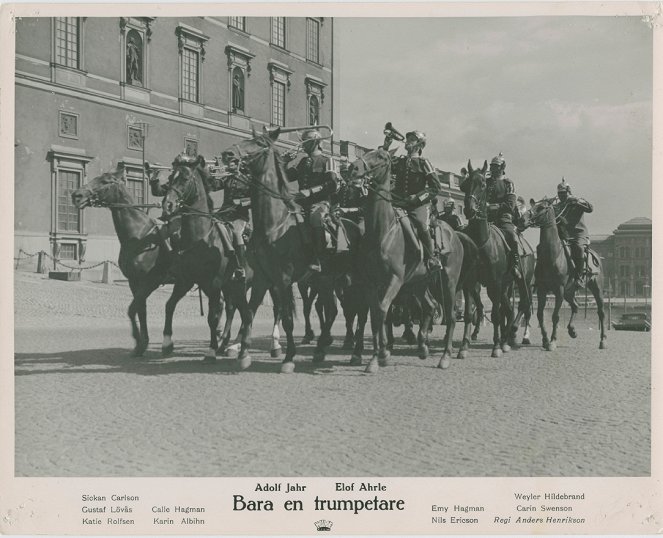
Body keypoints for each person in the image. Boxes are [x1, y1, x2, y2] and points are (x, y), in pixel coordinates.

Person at [284, 129, 339, 272]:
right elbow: (286, 178)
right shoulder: (303, 161)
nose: (302, 145)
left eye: (305, 141)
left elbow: (332, 185)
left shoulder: (328, 161)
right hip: (301, 204)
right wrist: (284, 163)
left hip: (320, 202)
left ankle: (318, 258)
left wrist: (310, 191)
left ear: (315, 142)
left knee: (316, 218)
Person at [391, 130, 446, 269]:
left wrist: (416, 198)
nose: (408, 141)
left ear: (419, 145)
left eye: (412, 139)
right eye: (408, 138)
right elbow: (385, 166)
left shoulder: (424, 163)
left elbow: (435, 187)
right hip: (398, 202)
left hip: (418, 205)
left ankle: (432, 258)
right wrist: (386, 146)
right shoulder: (400, 161)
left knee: (422, 225)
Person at [216, 153, 253, 279]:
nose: (228, 165)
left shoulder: (248, 179)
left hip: (240, 215)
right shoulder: (227, 178)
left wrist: (241, 203)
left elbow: (254, 199)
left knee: (236, 233)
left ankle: (240, 266)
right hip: (223, 213)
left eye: (231, 162)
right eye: (227, 162)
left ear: (238, 164)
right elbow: (214, 186)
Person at [486, 152, 521, 279]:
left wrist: (492, 206)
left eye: (495, 166)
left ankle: (515, 263)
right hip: (486, 219)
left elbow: (510, 205)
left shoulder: (508, 183)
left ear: (502, 168)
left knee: (511, 236)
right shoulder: (486, 182)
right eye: (491, 166)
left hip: (503, 218)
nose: (492, 168)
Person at [553, 177, 594, 286]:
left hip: (578, 234)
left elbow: (590, 208)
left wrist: (577, 200)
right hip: (563, 236)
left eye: (563, 193)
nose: (561, 196)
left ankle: (579, 277)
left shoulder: (577, 202)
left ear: (569, 192)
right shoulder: (557, 206)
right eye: (559, 193)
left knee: (579, 249)